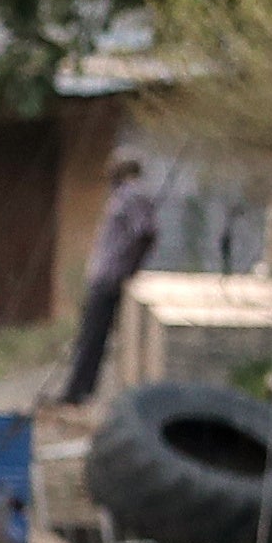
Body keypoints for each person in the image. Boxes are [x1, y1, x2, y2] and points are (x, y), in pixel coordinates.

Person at [58, 151, 165, 405]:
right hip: (106, 273)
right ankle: (79, 390)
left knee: (93, 335)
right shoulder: (122, 196)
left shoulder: (132, 195)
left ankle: (76, 393)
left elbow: (145, 232)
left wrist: (129, 265)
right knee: (90, 335)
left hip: (112, 275)